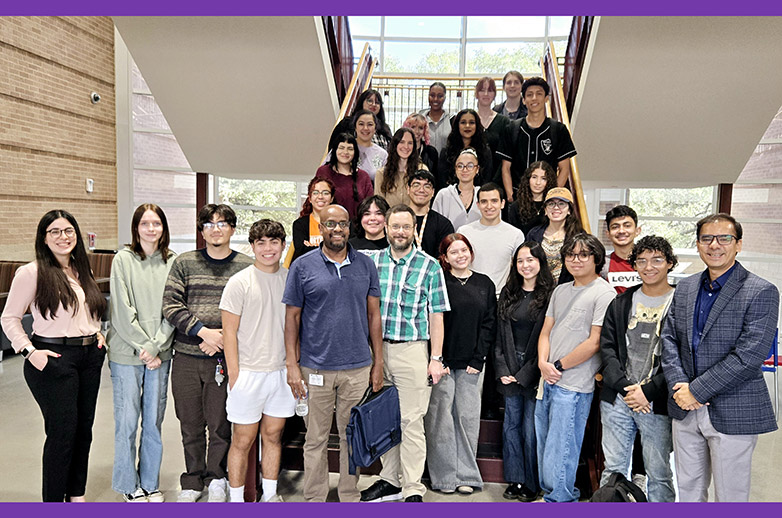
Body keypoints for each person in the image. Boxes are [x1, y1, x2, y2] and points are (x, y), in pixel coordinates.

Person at [661, 214, 779, 502]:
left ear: (737, 244)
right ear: (699, 244)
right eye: (706, 238)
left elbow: (749, 355)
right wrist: (680, 387)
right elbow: (668, 339)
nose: (714, 245)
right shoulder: (686, 287)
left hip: (733, 408)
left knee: (730, 497)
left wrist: (696, 391)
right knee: (688, 491)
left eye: (723, 238)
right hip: (684, 407)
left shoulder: (761, 290)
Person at [1, 210, 107, 502]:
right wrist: (28, 351)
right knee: (62, 434)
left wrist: (97, 333)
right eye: (56, 232)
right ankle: (52, 504)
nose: (64, 237)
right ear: (44, 239)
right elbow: (9, 318)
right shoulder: (31, 273)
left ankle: (76, 496)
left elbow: (89, 310)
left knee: (83, 431)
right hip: (52, 357)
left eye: (69, 230)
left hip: (89, 357)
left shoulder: (81, 269)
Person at [283, 205, 384, 502]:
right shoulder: (302, 266)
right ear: (321, 227)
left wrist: (378, 363)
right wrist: (292, 365)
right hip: (315, 369)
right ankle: (314, 498)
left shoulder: (366, 265)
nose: (337, 229)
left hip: (357, 369)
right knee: (314, 439)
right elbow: (292, 318)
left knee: (351, 438)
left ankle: (349, 496)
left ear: (350, 228)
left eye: (342, 223)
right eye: (330, 224)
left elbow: (374, 316)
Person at [162, 204, 254, 502]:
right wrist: (203, 332)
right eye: (209, 224)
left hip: (225, 360)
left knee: (219, 423)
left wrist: (223, 340)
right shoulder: (184, 263)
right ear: (201, 230)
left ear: (232, 228)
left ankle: (217, 477)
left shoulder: (246, 266)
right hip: (188, 356)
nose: (216, 228)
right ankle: (192, 480)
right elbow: (171, 305)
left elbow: (253, 312)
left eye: (222, 223)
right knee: (189, 422)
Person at [361, 204, 450, 503]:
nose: (400, 232)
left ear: (415, 230)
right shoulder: (370, 262)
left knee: (411, 422)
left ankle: (412, 486)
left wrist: (435, 358)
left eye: (405, 227)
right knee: (384, 420)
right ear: (385, 229)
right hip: (376, 352)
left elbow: (437, 315)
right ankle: (389, 479)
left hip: (412, 350)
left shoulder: (430, 266)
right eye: (394, 226)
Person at [535, 233, 616, 502]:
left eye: (583, 255)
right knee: (546, 445)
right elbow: (546, 331)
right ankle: (556, 494)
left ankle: (559, 500)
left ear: (596, 259)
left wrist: (557, 365)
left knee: (563, 447)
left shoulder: (604, 292)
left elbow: (594, 342)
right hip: (547, 378)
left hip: (574, 383)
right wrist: (542, 364)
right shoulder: (561, 290)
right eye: (571, 255)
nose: (576, 260)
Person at [599, 235, 677, 502]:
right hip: (618, 399)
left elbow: (682, 358)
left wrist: (648, 392)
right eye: (641, 260)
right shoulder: (621, 302)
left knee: (659, 473)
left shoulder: (681, 303)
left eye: (657, 260)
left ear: (669, 263)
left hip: (656, 402)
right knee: (613, 470)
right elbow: (607, 348)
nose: (649, 266)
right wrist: (626, 388)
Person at [219, 219, 292, 503]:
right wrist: (235, 376)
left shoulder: (290, 279)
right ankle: (237, 502)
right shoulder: (239, 282)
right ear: (252, 247)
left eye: (274, 242)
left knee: (273, 437)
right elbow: (229, 332)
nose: (268, 248)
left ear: (283, 245)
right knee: (242, 440)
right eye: (261, 243)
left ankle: (270, 496)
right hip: (248, 374)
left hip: (281, 373)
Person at [107, 204, 175, 502]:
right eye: (145, 223)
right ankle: (126, 484)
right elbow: (121, 310)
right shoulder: (122, 260)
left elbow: (174, 309)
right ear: (136, 228)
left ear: (164, 228)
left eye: (156, 223)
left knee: (153, 421)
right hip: (126, 353)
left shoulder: (173, 262)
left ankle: (150, 482)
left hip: (160, 353)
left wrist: (156, 346)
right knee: (126, 421)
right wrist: (145, 347)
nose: (151, 229)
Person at [424, 233, 496, 495]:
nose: (460, 256)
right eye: (453, 252)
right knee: (440, 419)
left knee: (466, 418)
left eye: (464, 250)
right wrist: (435, 358)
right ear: (444, 257)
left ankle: (467, 475)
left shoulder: (484, 284)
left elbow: (489, 324)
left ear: (471, 252)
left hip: (472, 364)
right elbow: (431, 320)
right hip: (441, 363)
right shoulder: (438, 281)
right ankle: (443, 478)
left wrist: (478, 359)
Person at [495, 241, 555, 502]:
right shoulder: (509, 293)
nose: (525, 265)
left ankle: (532, 482)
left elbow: (549, 338)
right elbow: (498, 337)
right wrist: (504, 369)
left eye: (530, 259)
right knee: (511, 426)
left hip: (534, 370)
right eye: (520, 260)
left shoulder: (551, 296)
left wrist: (524, 374)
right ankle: (516, 480)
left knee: (531, 430)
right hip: (508, 365)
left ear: (540, 263)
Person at [498, 77, 577, 198]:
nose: (534, 98)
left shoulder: (558, 130)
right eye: (529, 95)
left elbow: (564, 169)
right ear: (523, 100)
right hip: (518, 196)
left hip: (547, 200)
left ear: (546, 98)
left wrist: (552, 195)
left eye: (539, 94)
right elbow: (506, 168)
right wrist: (510, 196)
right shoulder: (512, 129)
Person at [457, 183, 525, 297]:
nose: (489, 206)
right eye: (484, 202)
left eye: (494, 201)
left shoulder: (515, 235)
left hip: (502, 298)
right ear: (478, 205)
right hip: (470, 295)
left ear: (502, 203)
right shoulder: (464, 232)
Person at [526, 187, 584, 284]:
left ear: (569, 210)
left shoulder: (579, 235)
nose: (556, 207)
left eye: (561, 204)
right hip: (538, 291)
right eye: (551, 204)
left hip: (569, 290)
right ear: (545, 210)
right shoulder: (534, 234)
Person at [315, 133, 373, 220]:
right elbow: (317, 200)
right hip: (329, 225)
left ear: (355, 152)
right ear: (335, 150)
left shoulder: (363, 176)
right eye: (341, 148)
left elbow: (370, 205)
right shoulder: (323, 172)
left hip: (357, 228)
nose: (345, 152)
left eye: (350, 149)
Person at [436, 108, 492, 192]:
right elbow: (441, 180)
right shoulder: (446, 152)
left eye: (471, 122)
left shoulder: (485, 151)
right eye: (463, 122)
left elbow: (487, 179)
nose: (467, 126)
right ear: (457, 125)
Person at [405, 169, 454, 258]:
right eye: (416, 185)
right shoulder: (396, 220)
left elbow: (444, 258)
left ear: (433, 192)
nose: (421, 190)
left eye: (427, 186)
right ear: (408, 189)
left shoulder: (443, 224)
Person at [432, 148, 482, 230]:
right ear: (455, 169)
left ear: (477, 169)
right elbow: (435, 226)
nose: (464, 170)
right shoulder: (444, 195)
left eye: (470, 166)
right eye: (460, 166)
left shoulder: (483, 195)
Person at [329, 88, 393, 151]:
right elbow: (334, 145)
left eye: (377, 102)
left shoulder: (385, 128)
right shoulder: (346, 123)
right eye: (369, 101)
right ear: (361, 102)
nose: (373, 104)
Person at [290, 177, 335, 264]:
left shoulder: (341, 223)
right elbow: (301, 252)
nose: (320, 197)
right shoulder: (300, 224)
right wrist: (330, 246)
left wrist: (312, 247)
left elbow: (343, 250)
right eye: (315, 193)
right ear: (310, 198)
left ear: (332, 198)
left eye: (325, 193)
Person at [374, 127, 423, 207]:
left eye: (410, 143)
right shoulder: (381, 174)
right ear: (395, 144)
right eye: (402, 142)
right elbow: (380, 205)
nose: (406, 147)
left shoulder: (421, 170)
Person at [474, 77, 511, 183]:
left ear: (494, 94)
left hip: (497, 179)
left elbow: (505, 156)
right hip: (471, 178)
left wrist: (496, 181)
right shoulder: (469, 120)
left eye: (490, 90)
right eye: (482, 90)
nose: (486, 94)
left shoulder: (504, 122)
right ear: (476, 94)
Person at [506, 161, 557, 236]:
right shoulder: (516, 207)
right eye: (534, 177)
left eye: (543, 178)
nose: (538, 182)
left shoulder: (554, 206)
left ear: (549, 182)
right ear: (528, 179)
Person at [601, 205, 642, 293]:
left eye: (627, 226)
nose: (621, 231)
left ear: (637, 231)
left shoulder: (649, 263)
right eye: (615, 227)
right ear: (608, 234)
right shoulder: (602, 265)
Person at [352, 109, 388, 182]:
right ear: (355, 127)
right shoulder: (344, 148)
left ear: (375, 128)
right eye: (361, 124)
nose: (365, 128)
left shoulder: (382, 154)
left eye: (370, 124)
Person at [418, 82, 452, 154]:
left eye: (440, 96)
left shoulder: (451, 120)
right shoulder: (419, 119)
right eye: (432, 95)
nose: (435, 99)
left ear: (445, 98)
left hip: (446, 163)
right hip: (423, 163)